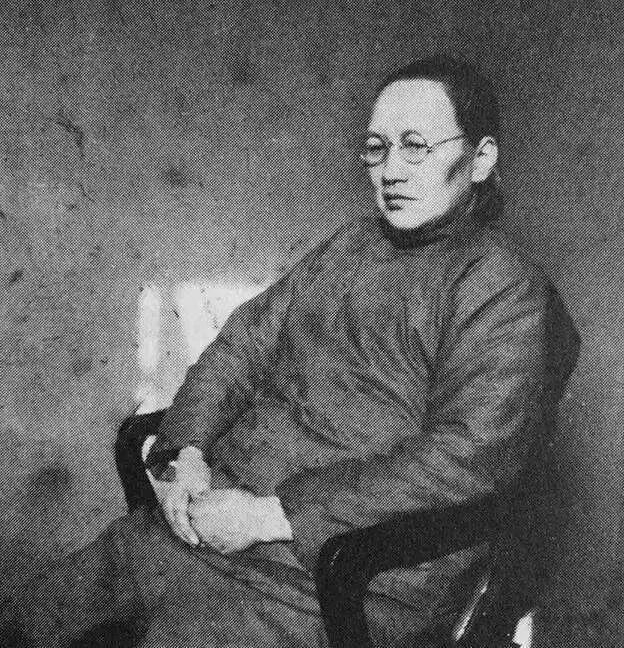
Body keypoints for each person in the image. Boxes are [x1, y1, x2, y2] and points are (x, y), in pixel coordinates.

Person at [3, 55, 580, 648]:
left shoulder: (505, 291)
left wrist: (266, 517)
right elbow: (244, 345)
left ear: (480, 159)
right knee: (32, 617)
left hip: (333, 579)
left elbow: (463, 460)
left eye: (415, 147)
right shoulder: (351, 246)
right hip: (206, 525)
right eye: (377, 149)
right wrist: (184, 454)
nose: (391, 171)